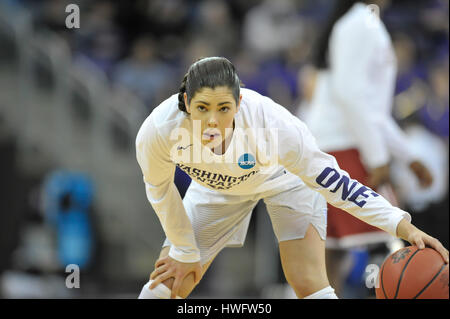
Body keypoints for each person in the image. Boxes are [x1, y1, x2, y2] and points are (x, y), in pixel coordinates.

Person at [135, 57, 448, 299]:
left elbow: (339, 186)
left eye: (224, 108)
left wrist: (403, 225)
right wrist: (185, 251)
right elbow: (160, 191)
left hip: (285, 181)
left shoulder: (275, 127)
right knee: (167, 283)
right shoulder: (159, 132)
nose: (213, 121)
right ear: (186, 102)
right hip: (217, 190)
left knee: (309, 285)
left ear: (239, 103)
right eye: (202, 108)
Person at [303, 0, 435, 295]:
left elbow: (371, 109)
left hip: (329, 142)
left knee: (333, 250)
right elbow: (353, 97)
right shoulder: (361, 23)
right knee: (394, 240)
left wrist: (409, 157)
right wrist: (378, 159)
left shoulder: (358, 22)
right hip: (346, 145)